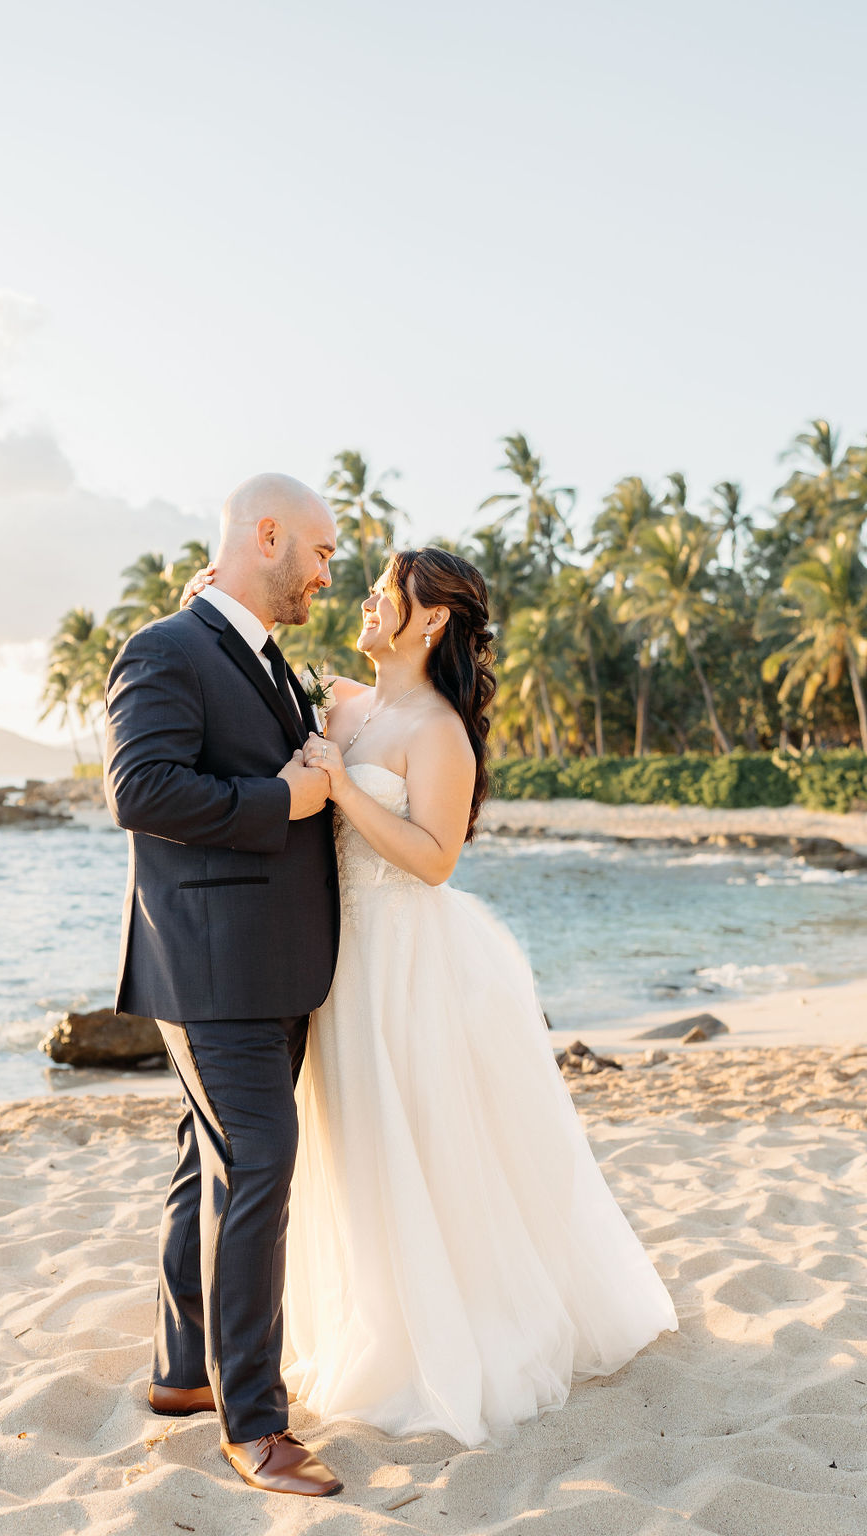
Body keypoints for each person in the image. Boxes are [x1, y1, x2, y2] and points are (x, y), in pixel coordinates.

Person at [184, 545, 678, 1448]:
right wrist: (206, 604)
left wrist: (340, 789)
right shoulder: (342, 700)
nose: (366, 600)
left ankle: (446, 1331)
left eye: (384, 590)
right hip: (338, 967)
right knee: (357, 1149)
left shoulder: (438, 730)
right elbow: (252, 677)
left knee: (422, 1142)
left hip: (409, 962)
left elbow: (435, 859)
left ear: (432, 618)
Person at [104, 472, 346, 1498]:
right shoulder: (166, 648)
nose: (329, 576)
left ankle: (180, 1374)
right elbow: (141, 789)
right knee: (257, 1164)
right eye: (322, 554)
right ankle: (255, 1423)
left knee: (208, 1162)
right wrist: (281, 799)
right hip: (213, 969)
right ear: (268, 535)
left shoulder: (250, 652)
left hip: (269, 964)